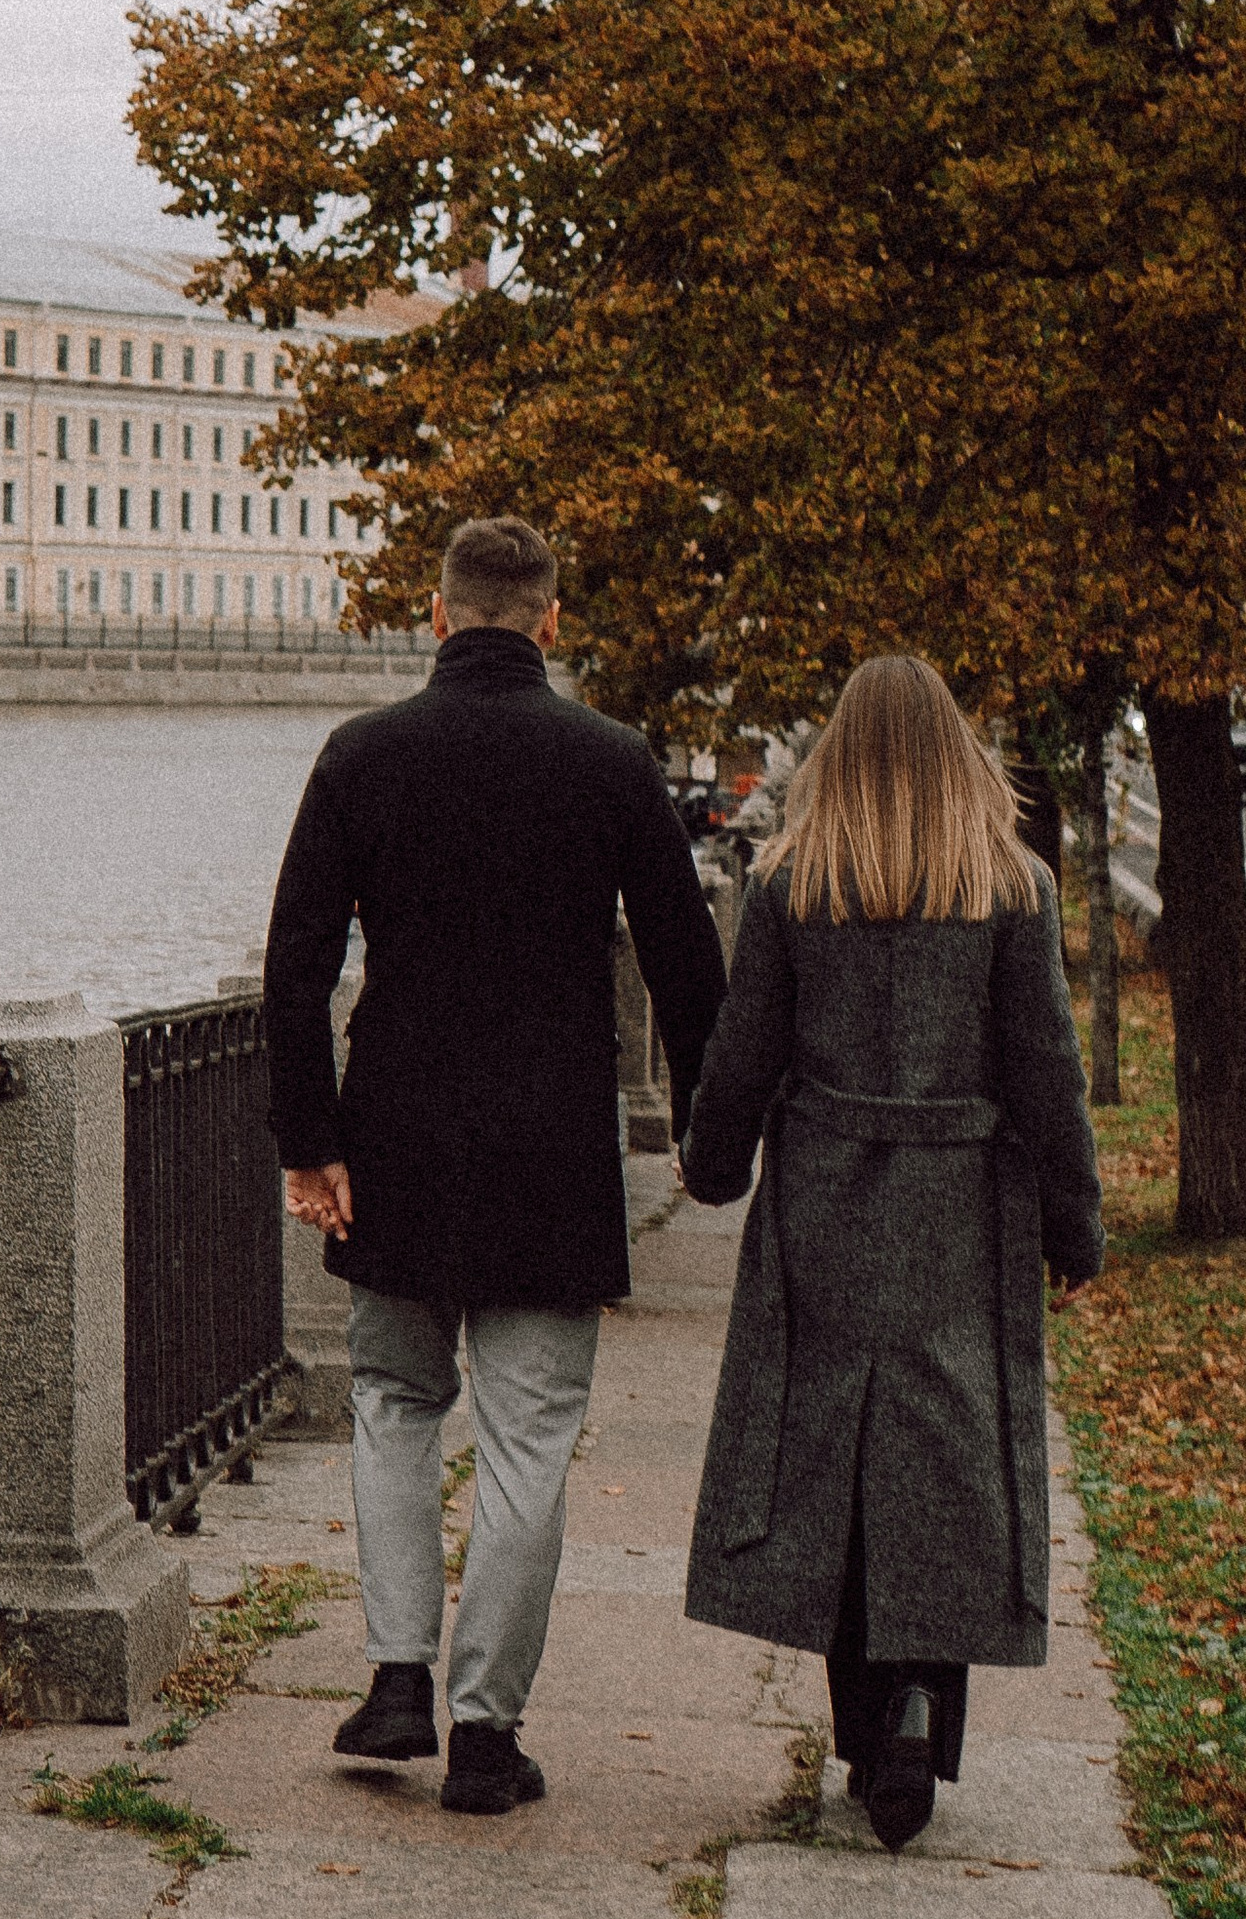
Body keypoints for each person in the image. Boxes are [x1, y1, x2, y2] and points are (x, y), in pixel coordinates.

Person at [265, 515, 728, 1815]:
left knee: (394, 1406)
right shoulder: (613, 763)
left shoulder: (362, 758)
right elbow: (689, 969)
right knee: (528, 1443)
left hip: (395, 1136)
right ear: (551, 622)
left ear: (437, 613)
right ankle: (485, 1733)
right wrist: (709, 1134)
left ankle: (397, 1675)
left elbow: (294, 969)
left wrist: (309, 1145)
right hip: (551, 1147)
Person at [678, 650, 1103, 1851]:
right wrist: (1075, 1228)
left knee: (829, 1458)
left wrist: (714, 1169)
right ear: (958, 754)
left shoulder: (791, 887)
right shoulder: (1007, 890)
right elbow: (1048, 1078)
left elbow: (740, 1053)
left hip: (822, 1198)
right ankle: (919, 1703)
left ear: (837, 758)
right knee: (947, 1456)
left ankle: (868, 1728)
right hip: (961, 1205)